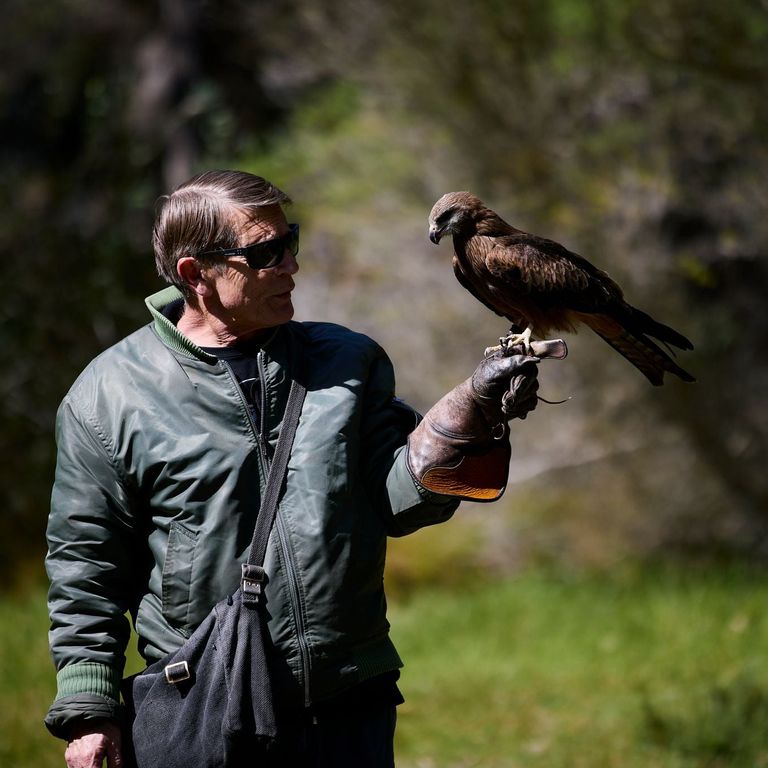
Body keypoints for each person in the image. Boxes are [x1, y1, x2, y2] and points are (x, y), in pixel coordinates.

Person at [45, 170, 545, 767]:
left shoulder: (347, 360)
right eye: (264, 253)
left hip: (348, 704)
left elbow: (397, 502)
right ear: (194, 274)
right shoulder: (109, 395)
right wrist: (89, 712)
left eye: (291, 242)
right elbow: (86, 563)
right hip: (206, 705)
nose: (290, 266)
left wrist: (472, 422)